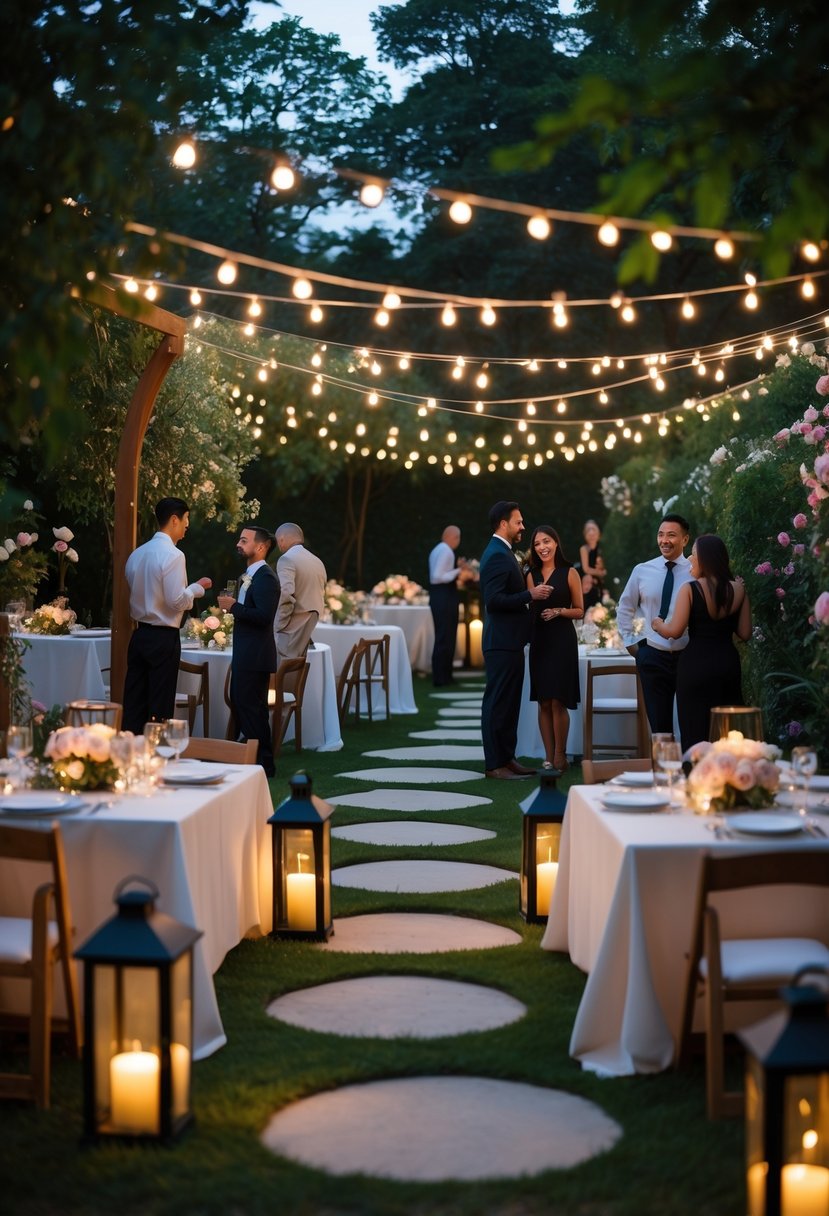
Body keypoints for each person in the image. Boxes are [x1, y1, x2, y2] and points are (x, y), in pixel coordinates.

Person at [652, 533, 752, 751]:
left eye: (694, 554)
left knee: (695, 734)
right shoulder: (739, 589)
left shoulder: (690, 589)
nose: (689, 559)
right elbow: (745, 633)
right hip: (727, 664)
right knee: (728, 734)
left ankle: (697, 777)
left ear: (705, 559)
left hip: (695, 667)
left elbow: (675, 631)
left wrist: (657, 623)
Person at [122, 497, 211, 734]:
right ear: (174, 519)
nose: (187, 525)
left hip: (139, 636)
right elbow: (176, 601)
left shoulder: (136, 554)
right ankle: (158, 758)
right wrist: (197, 587)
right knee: (159, 705)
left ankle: (130, 752)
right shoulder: (173, 555)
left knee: (134, 703)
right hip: (163, 639)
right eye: (186, 519)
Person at [479, 500, 552, 779]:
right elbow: (493, 600)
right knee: (498, 703)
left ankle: (507, 758)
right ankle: (494, 764)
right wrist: (529, 596)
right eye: (518, 522)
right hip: (501, 641)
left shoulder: (503, 551)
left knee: (509, 705)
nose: (523, 526)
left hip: (509, 641)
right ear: (503, 524)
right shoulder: (497, 554)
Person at [616, 512, 693, 736]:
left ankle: (692, 767)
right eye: (660, 535)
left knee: (691, 720)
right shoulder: (642, 571)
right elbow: (625, 607)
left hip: (688, 654)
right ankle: (661, 770)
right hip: (653, 654)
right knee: (660, 727)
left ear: (685, 540)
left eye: (671, 535)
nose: (664, 540)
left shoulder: (695, 572)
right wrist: (632, 643)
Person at [217, 524, 280, 777]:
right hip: (246, 652)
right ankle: (251, 760)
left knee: (252, 710)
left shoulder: (265, 577)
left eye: (244, 541)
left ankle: (264, 764)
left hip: (255, 655)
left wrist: (233, 607)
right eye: (239, 540)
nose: (239, 544)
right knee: (246, 707)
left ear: (261, 547)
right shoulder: (248, 576)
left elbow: (264, 617)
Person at [526, 525, 584, 772]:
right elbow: (527, 606)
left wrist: (560, 611)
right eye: (537, 543)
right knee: (543, 702)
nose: (542, 547)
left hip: (562, 641)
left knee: (558, 701)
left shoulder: (569, 572)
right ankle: (548, 756)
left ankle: (561, 754)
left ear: (556, 543)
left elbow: (580, 610)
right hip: (540, 641)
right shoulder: (531, 574)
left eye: (546, 541)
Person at [273, 522, 326, 663]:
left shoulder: (286, 559)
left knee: (280, 676)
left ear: (282, 539)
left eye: (278, 541)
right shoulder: (317, 561)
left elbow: (286, 594)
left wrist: (278, 625)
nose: (279, 546)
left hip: (291, 628)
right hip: (309, 625)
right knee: (295, 674)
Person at [428, 524, 467, 686]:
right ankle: (443, 677)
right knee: (446, 637)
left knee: (442, 637)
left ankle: (442, 675)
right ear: (453, 537)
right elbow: (438, 576)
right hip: (445, 597)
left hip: (437, 597)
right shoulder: (447, 551)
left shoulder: (437, 549)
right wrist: (459, 571)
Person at [579, 519, 606, 610]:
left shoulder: (600, 550)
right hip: (588, 583)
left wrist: (602, 570)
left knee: (598, 607)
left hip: (598, 584)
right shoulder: (584, 549)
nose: (591, 533)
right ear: (585, 535)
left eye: (593, 529)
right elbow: (586, 569)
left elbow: (602, 568)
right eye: (588, 530)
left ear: (598, 533)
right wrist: (600, 573)